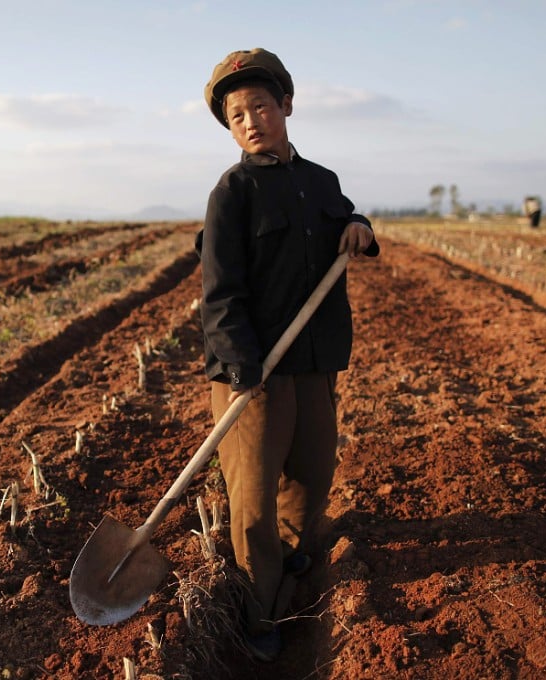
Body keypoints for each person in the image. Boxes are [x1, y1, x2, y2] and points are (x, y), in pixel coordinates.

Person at [195, 47, 379, 662]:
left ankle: (298, 561)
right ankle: (261, 609)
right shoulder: (232, 194)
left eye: (261, 106)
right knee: (253, 498)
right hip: (255, 372)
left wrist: (357, 224)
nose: (250, 120)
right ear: (229, 126)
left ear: (286, 106)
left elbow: (341, 222)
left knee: (314, 471)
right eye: (237, 114)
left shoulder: (321, 183)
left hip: (313, 362)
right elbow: (219, 294)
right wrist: (243, 369)